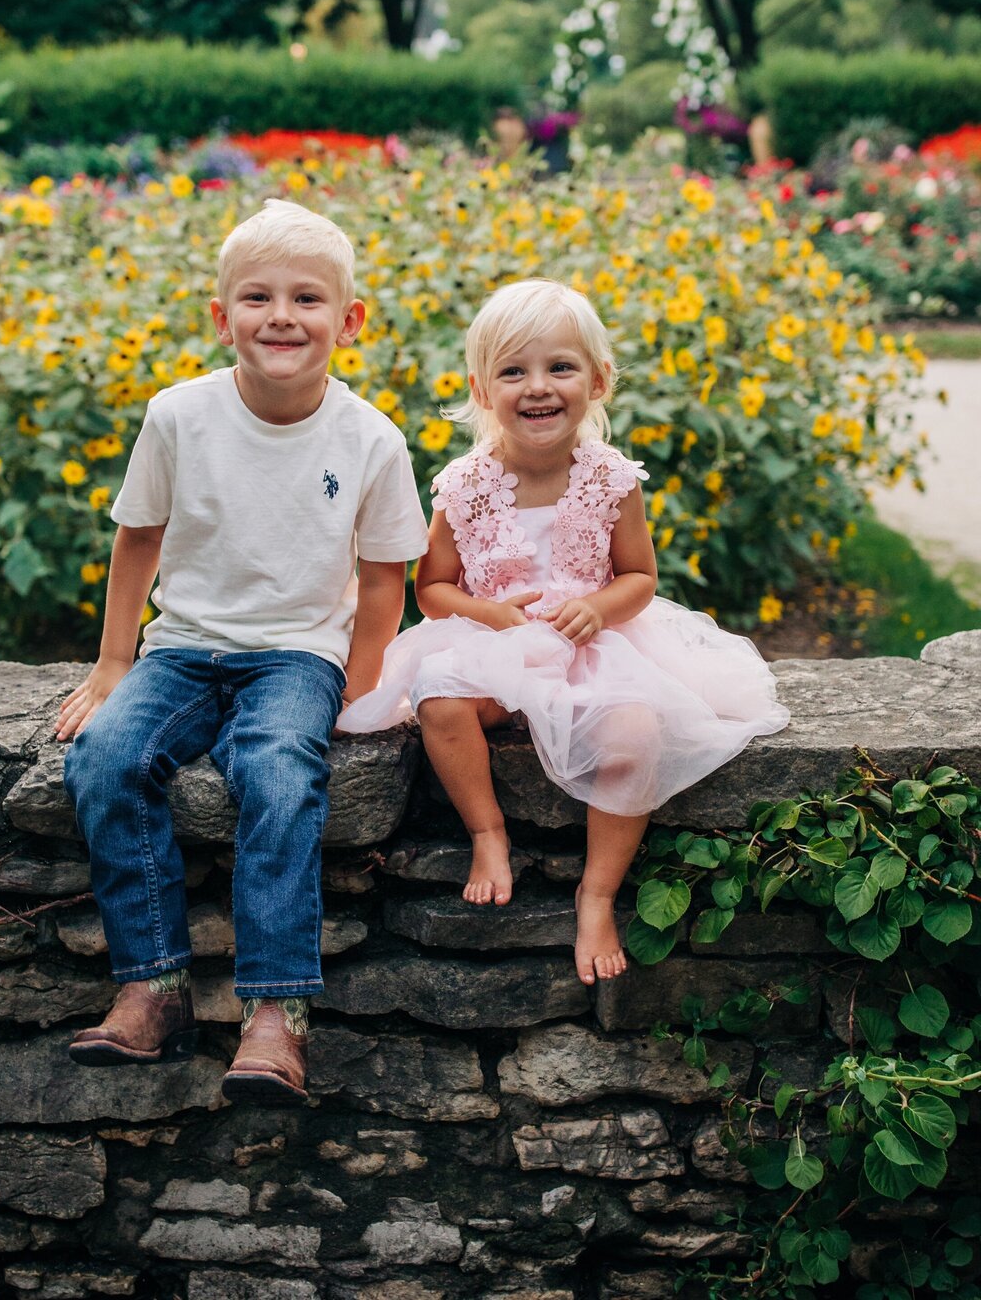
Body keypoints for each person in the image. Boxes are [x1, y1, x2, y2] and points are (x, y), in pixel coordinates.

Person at [57, 200, 428, 1103]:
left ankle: (277, 1013)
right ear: (222, 318)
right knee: (105, 758)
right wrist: (113, 664)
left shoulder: (370, 438)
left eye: (308, 298)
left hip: (299, 656)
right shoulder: (179, 417)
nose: (282, 316)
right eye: (256, 297)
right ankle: (153, 985)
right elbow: (137, 540)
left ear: (350, 321)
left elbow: (385, 579)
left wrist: (363, 677)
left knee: (276, 769)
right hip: (182, 649)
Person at [338, 279, 788, 985]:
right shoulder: (467, 484)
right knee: (439, 700)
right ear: (483, 390)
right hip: (493, 639)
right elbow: (431, 587)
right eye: (513, 371)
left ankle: (597, 893)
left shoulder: (611, 479)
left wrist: (600, 608)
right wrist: (488, 613)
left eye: (560, 368)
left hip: (589, 645)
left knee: (636, 732)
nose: (538, 387)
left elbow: (640, 576)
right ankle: (488, 833)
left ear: (598, 380)